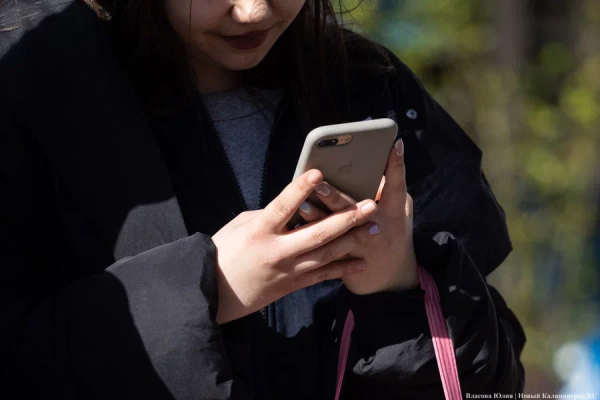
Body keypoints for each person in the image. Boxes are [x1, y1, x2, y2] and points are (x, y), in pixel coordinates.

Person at [0, 0, 526, 399]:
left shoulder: (368, 88)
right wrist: (209, 287)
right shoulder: (37, 101)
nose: (253, 10)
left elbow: (493, 380)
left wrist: (396, 287)